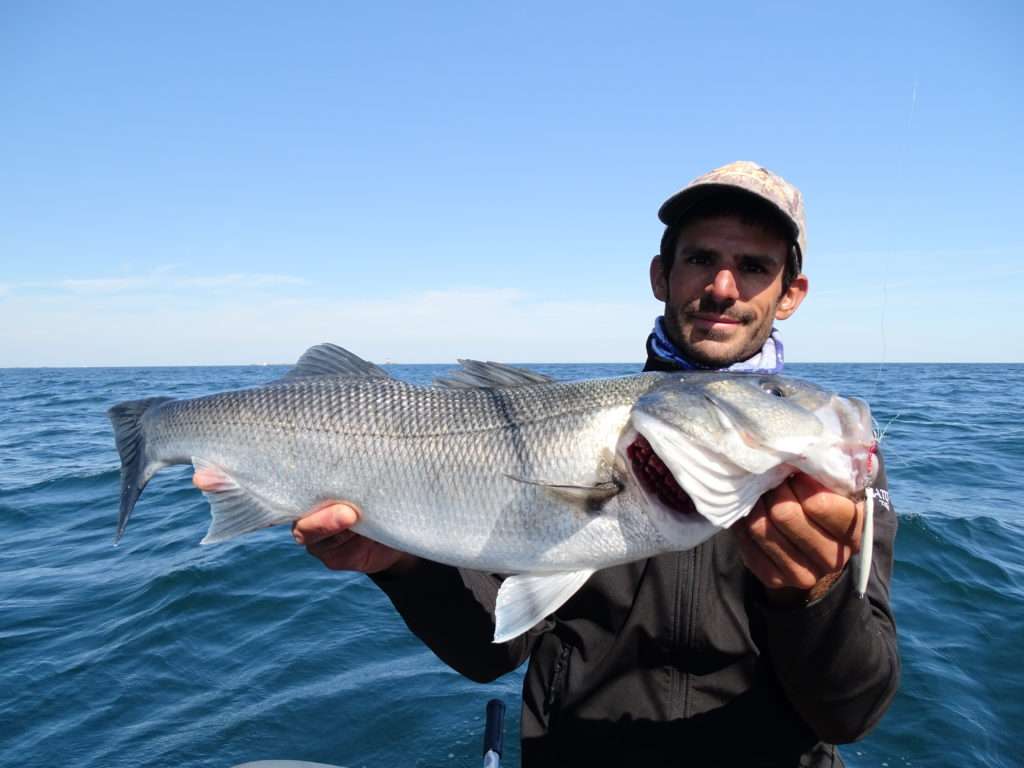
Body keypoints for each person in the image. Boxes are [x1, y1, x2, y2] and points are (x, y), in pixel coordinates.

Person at [195, 161, 899, 767]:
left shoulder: (825, 469)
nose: (722, 286)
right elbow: (490, 652)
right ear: (661, 275)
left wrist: (813, 600)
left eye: (754, 267)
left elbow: (852, 711)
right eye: (699, 259)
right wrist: (404, 565)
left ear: (790, 294)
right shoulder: (590, 426)